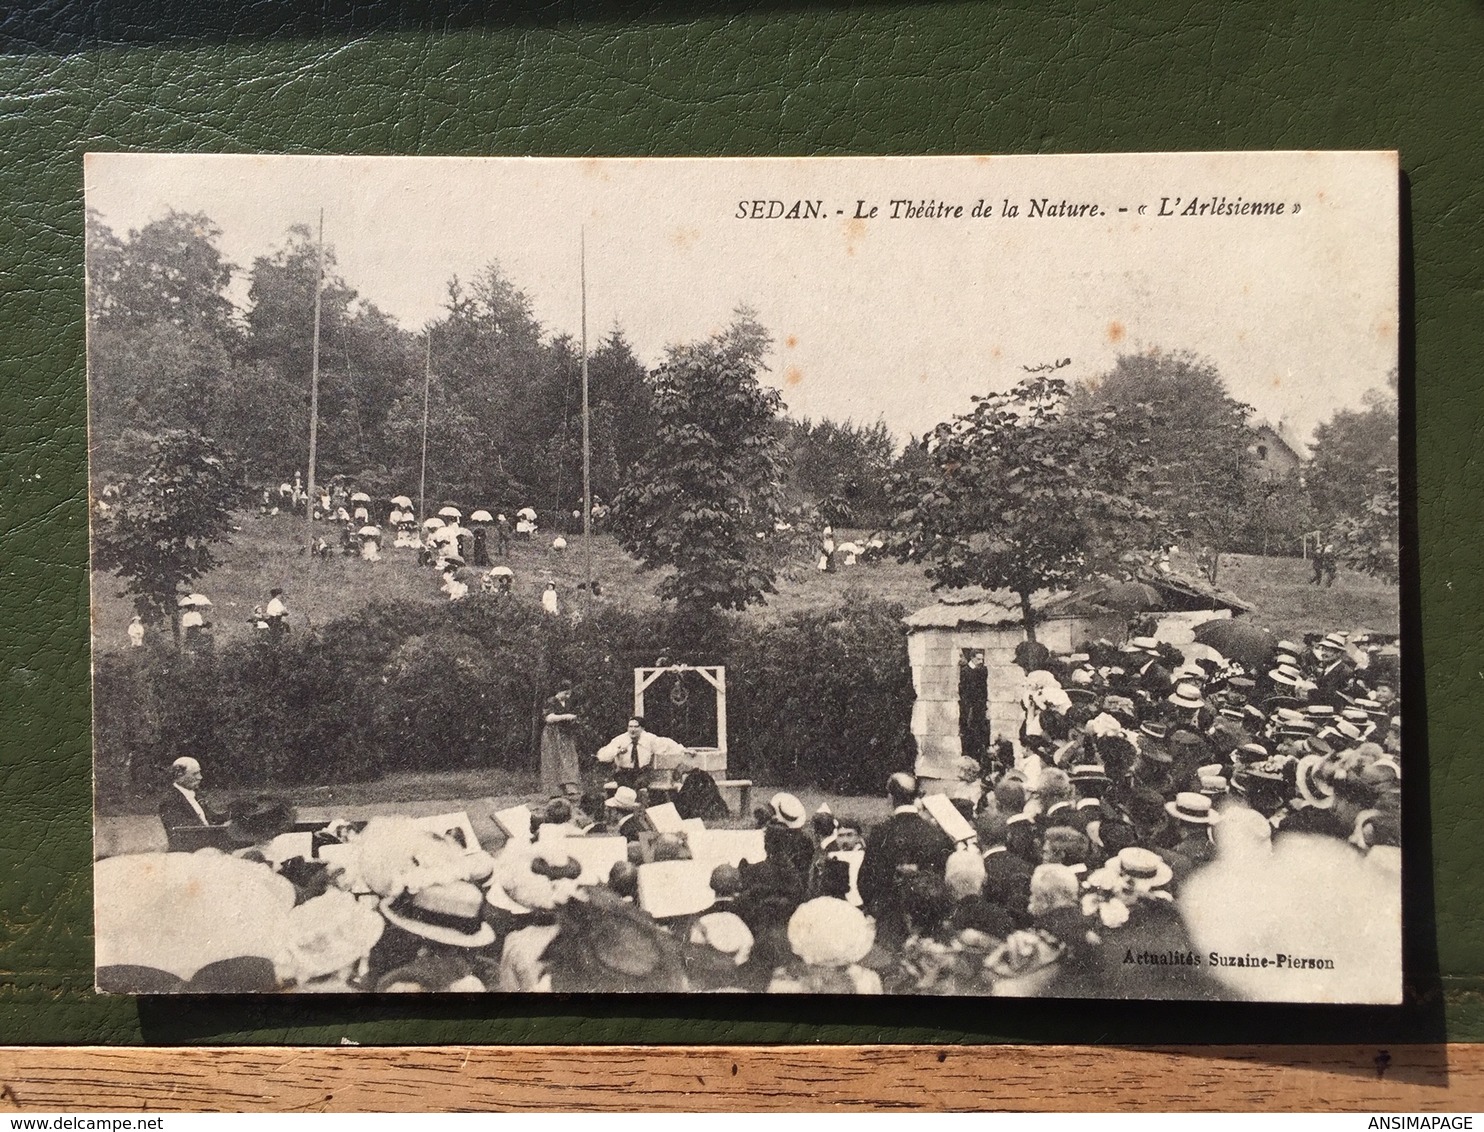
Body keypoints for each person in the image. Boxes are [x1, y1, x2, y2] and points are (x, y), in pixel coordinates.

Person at [856, 772, 954, 948]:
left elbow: (865, 879)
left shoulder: (881, 832)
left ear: (890, 797)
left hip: (889, 917)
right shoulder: (935, 833)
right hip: (928, 922)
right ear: (916, 797)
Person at [595, 716, 672, 790]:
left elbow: (667, 746)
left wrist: (682, 751)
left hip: (642, 772)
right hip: (624, 772)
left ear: (642, 728)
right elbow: (602, 756)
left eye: (636, 727)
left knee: (640, 783)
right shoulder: (620, 739)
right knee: (624, 784)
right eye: (630, 727)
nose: (632, 730)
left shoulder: (650, 739)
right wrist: (617, 751)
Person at [158, 756, 219, 850]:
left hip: (207, 846)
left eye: (199, 773)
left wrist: (233, 814)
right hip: (190, 853)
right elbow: (184, 833)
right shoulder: (170, 801)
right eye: (195, 774)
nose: (200, 777)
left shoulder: (195, 795)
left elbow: (211, 819)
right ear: (179, 776)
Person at [540, 688, 581, 796]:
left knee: (569, 758)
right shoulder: (551, 701)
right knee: (553, 759)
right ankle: (554, 790)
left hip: (566, 734)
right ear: (559, 691)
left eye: (569, 694)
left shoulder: (567, 702)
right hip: (552, 734)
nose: (568, 696)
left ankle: (570, 787)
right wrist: (565, 716)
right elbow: (549, 718)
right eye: (566, 693)